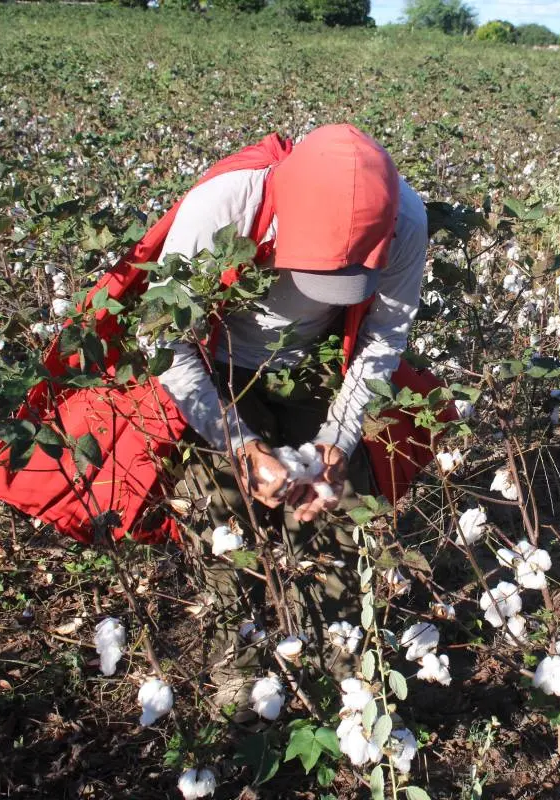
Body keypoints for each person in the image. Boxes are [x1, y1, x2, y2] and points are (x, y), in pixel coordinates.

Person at [154, 124, 428, 701]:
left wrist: (338, 441)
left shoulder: (405, 218)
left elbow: (381, 339)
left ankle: (335, 660)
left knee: (339, 504)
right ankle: (238, 653)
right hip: (216, 364)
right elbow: (166, 344)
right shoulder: (222, 206)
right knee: (221, 507)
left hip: (321, 361)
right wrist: (240, 446)